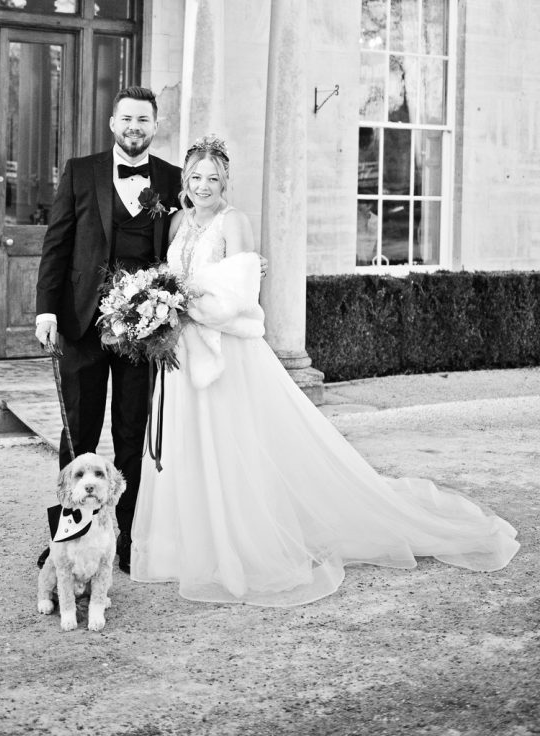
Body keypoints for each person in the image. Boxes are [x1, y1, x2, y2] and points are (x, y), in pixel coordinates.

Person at [131, 135, 519, 606]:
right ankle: (188, 544)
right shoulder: (175, 223)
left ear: (225, 180)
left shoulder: (236, 223)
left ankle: (238, 542)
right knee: (187, 444)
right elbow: (166, 277)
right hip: (183, 354)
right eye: (195, 177)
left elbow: (239, 289)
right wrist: (161, 307)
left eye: (213, 177)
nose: (203, 185)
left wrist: (189, 303)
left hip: (225, 351)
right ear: (185, 181)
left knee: (230, 444)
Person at [34, 86, 182, 572]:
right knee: (78, 431)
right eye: (127, 119)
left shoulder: (171, 178)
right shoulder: (80, 171)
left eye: (144, 120)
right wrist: (46, 310)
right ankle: (68, 532)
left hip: (143, 333)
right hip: (82, 324)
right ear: (112, 123)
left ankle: (125, 539)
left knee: (131, 433)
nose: (134, 127)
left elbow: (180, 253)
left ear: (154, 126)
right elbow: (57, 243)